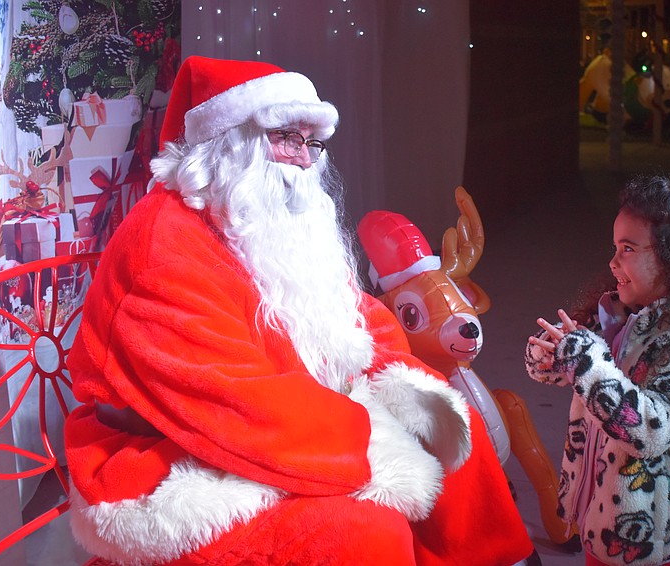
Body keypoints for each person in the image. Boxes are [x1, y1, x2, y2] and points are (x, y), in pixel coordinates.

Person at [63, 56, 534, 565]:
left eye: (314, 143)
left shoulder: (259, 217)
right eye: (289, 138)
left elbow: (353, 312)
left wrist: (402, 379)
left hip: (280, 418)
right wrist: (377, 444)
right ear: (231, 140)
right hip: (171, 464)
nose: (306, 161)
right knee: (365, 535)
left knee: (448, 420)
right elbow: (238, 405)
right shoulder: (161, 246)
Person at [524, 175, 670, 566]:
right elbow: (591, 377)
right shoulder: (621, 317)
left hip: (643, 538)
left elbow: (648, 429)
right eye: (615, 247)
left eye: (628, 248)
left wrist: (585, 360)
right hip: (598, 518)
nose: (613, 262)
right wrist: (552, 359)